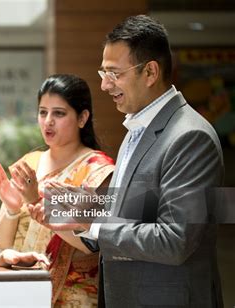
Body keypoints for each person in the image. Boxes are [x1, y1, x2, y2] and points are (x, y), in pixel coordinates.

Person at [66, 15, 224, 307]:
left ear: (150, 72)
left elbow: (175, 239)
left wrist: (96, 224)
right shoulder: (137, 129)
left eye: (114, 74)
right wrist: (89, 209)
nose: (104, 85)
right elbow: (143, 214)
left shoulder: (190, 137)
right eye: (103, 73)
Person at [0, 74, 114, 307]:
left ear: (82, 118)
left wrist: (38, 202)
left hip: (74, 295)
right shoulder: (30, 162)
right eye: (43, 112)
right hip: (23, 293)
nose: (48, 121)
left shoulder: (98, 170)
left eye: (59, 113)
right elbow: (1, 244)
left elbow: (96, 243)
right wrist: (13, 209)